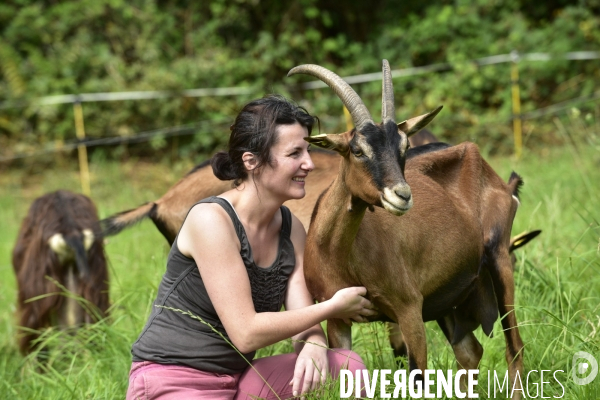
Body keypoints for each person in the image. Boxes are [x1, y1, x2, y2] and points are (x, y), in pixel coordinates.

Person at [126, 95, 375, 400]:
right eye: (294, 153)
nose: (309, 164)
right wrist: (333, 307)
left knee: (348, 367)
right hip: (173, 379)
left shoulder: (291, 228)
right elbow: (246, 333)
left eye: (307, 151)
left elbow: (302, 316)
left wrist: (314, 344)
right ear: (252, 161)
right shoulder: (211, 220)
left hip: (238, 378)